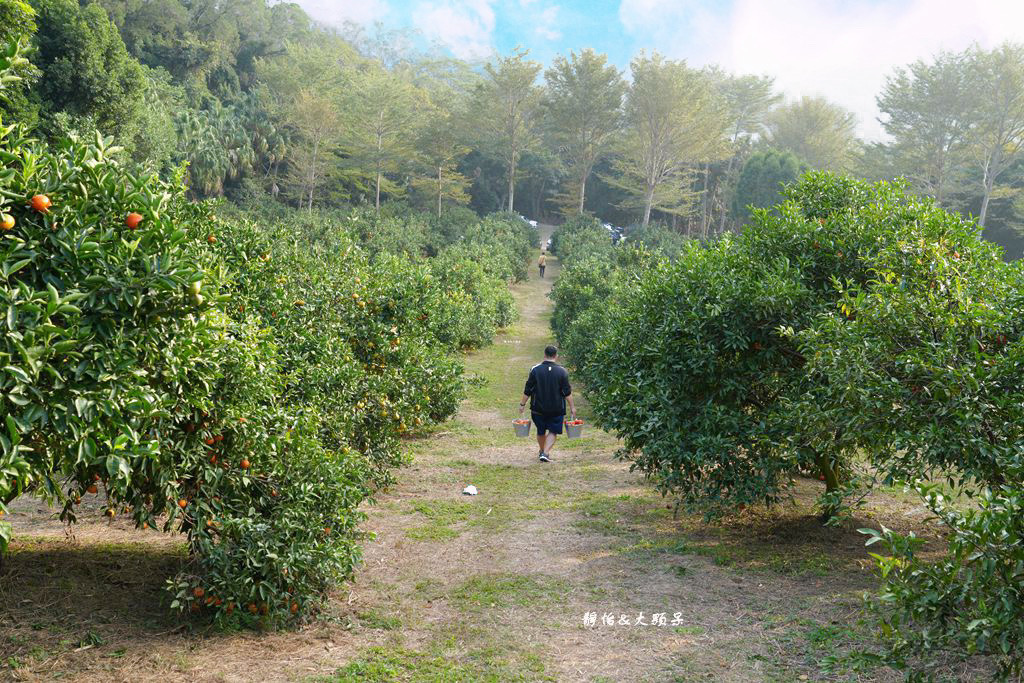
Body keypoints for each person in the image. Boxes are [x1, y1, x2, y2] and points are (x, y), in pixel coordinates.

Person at [519, 345, 575, 462]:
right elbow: (567, 392)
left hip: (538, 408)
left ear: (544, 355)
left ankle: (542, 451)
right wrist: (572, 407)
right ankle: (545, 452)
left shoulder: (535, 370)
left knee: (541, 430)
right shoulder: (562, 371)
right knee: (553, 431)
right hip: (557, 408)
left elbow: (528, 389)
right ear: (556, 356)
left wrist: (522, 405)